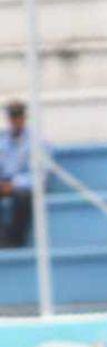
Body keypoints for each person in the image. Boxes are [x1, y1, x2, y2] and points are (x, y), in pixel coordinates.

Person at [0, 100, 43, 248]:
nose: (15, 121)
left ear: (24, 117)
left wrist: (14, 184)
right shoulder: (3, 141)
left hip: (24, 184)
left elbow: (40, 176)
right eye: (12, 117)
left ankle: (14, 240)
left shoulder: (37, 142)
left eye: (18, 116)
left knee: (23, 197)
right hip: (4, 183)